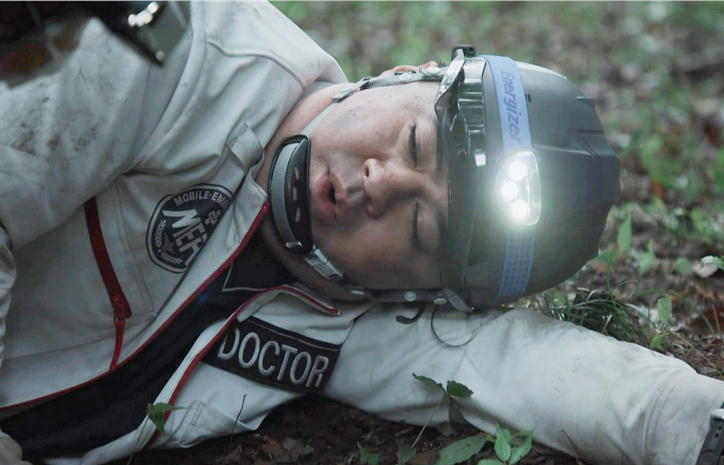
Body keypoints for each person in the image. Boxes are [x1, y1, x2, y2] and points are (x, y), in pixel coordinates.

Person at [0, 3, 722, 465]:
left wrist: (690, 423)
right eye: (414, 141)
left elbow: (522, 367)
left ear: (421, 291)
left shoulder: (346, 317)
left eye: (420, 229)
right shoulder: (180, 45)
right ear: (407, 74)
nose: (383, 183)